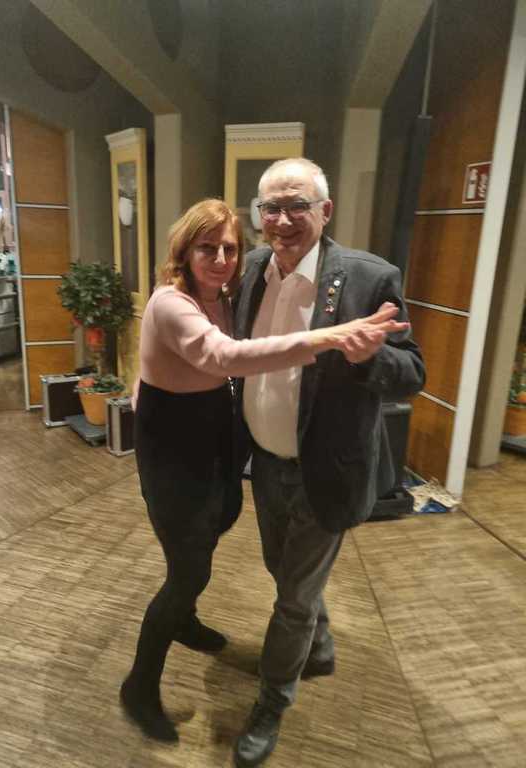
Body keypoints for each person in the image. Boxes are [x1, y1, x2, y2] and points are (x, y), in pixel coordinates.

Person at [120, 198, 409, 745]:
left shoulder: (224, 295)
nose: (221, 259)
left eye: (230, 248)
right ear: (183, 250)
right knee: (188, 571)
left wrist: (145, 384)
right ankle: (139, 686)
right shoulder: (171, 302)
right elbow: (226, 357)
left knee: (213, 530)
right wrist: (330, 336)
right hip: (176, 456)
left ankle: (185, 620)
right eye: (207, 247)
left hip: (216, 443)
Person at [232, 159, 425, 767]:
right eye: (271, 207)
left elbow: (412, 372)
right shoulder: (252, 268)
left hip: (327, 467)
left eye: (298, 205)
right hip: (265, 464)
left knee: (292, 597)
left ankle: (272, 700)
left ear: (325, 211)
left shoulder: (369, 278)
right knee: (281, 570)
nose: (283, 220)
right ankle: (318, 646)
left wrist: (370, 358)